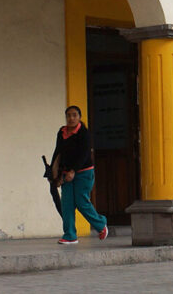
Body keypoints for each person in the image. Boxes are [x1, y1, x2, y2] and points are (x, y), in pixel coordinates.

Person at [50, 105, 108, 245]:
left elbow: (84, 154)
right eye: (68, 115)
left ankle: (101, 224)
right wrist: (54, 173)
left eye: (74, 115)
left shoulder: (83, 133)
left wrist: (73, 171)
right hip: (65, 173)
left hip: (83, 173)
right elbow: (58, 151)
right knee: (67, 204)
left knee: (82, 202)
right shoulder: (62, 132)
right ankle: (70, 235)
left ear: (79, 117)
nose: (71, 118)